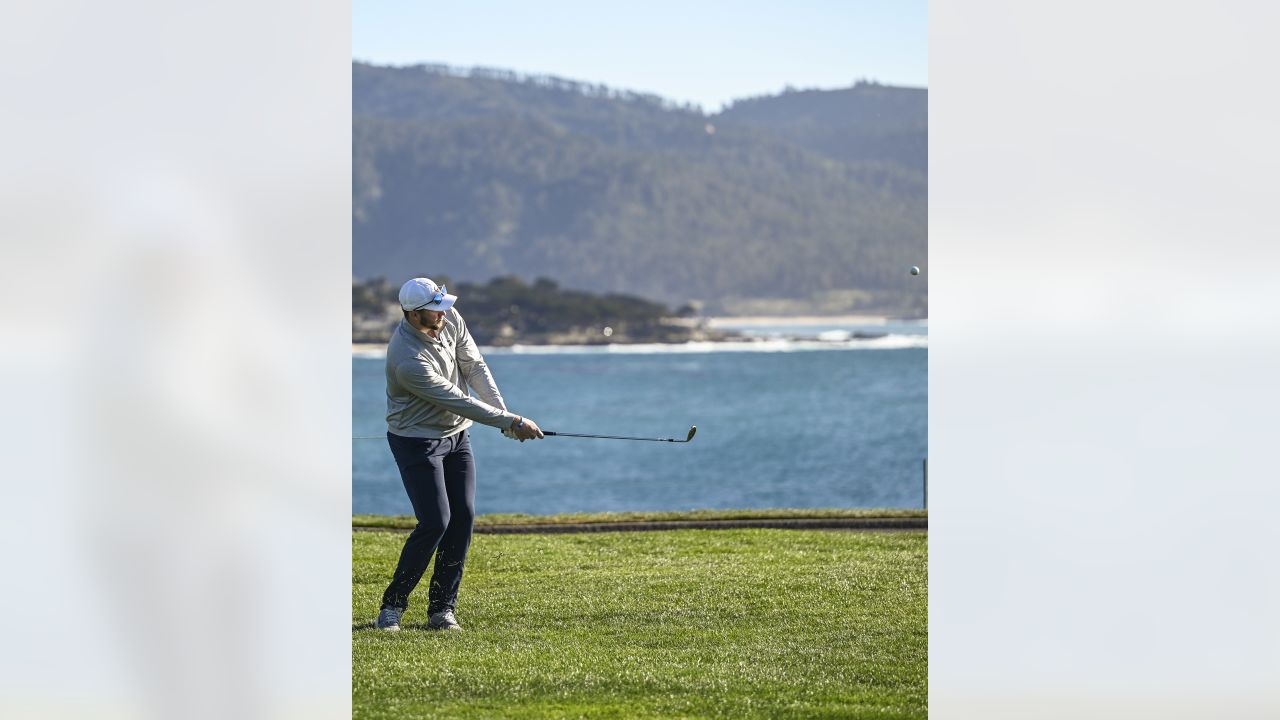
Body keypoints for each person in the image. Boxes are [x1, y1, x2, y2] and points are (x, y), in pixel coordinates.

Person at [374, 277, 544, 632]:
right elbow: (459, 399)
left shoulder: (448, 317)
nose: (444, 312)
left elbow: (474, 366)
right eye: (435, 308)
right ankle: (392, 606)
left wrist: (504, 418)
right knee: (436, 521)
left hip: (456, 437)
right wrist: (511, 421)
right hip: (416, 442)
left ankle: (442, 610)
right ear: (414, 313)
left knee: (462, 518)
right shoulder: (408, 360)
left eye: (443, 304)